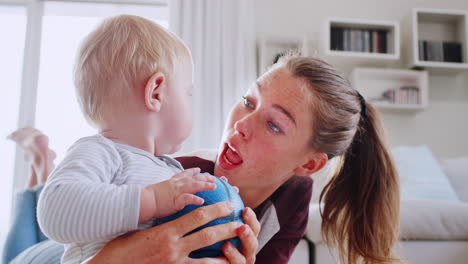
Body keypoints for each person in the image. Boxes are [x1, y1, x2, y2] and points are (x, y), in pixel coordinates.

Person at [4, 54, 400, 264]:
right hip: (58, 252)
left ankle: (40, 167)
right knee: (18, 248)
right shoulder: (179, 175)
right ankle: (40, 171)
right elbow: (72, 226)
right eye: (248, 101)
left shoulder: (293, 200)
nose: (241, 123)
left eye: (274, 125)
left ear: (309, 165)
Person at [32, 14, 258, 264]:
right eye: (188, 93)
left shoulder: (167, 169)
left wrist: (226, 208)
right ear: (156, 93)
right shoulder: (103, 152)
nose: (191, 102)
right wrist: (152, 200)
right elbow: (56, 211)